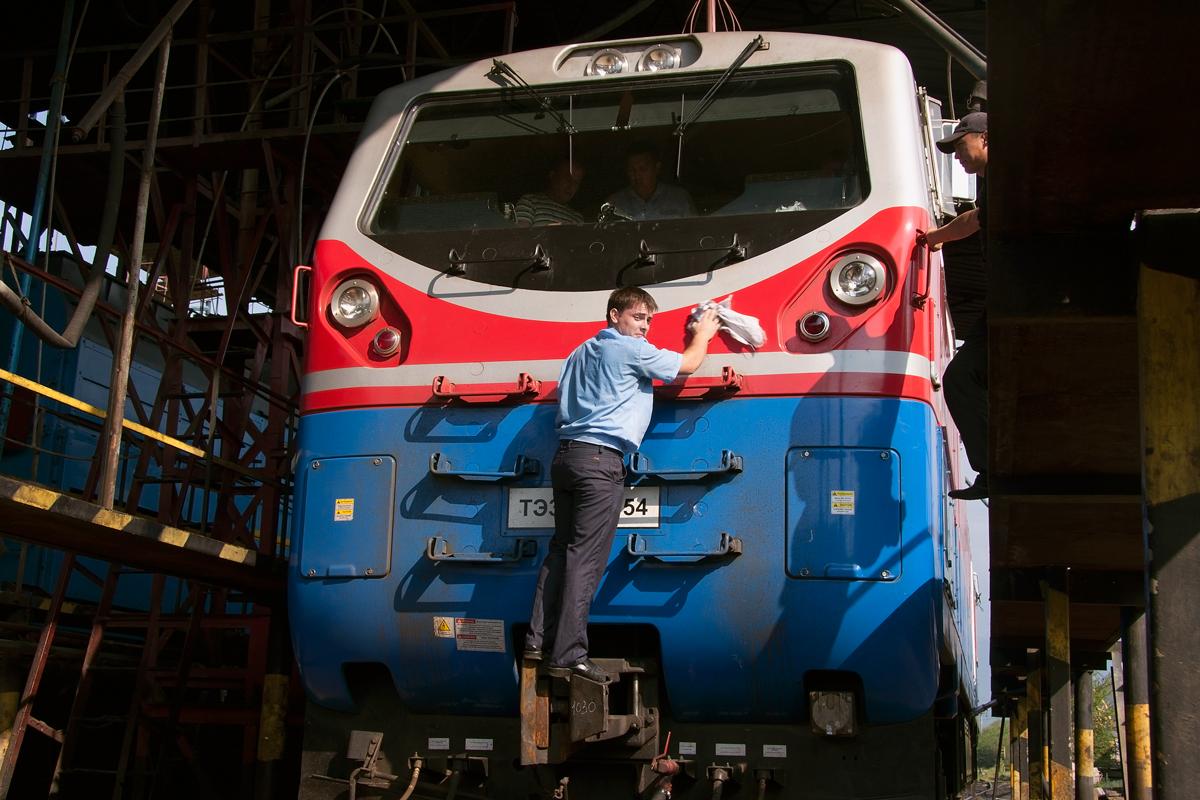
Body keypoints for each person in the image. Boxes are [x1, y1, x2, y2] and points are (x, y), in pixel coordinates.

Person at [524, 288, 721, 683]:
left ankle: (536, 640)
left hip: (566, 458)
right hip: (600, 461)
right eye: (637, 317)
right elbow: (687, 364)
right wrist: (703, 332)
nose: (644, 327)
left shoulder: (580, 352)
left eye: (649, 320)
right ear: (615, 315)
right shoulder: (629, 349)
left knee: (561, 551)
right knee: (587, 559)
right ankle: (568, 655)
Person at [925, 111, 988, 500]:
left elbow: (972, 222)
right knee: (965, 380)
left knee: (961, 379)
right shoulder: (989, 184)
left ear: (986, 139)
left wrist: (934, 237)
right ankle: (991, 467)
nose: (956, 157)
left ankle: (993, 467)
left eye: (959, 146)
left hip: (1019, 300)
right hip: (1005, 301)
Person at [605, 142, 696, 221]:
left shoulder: (680, 199)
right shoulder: (614, 204)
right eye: (632, 170)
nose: (637, 176)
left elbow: (695, 233)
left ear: (657, 168)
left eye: (643, 169)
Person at [515, 157, 586, 226]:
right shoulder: (529, 202)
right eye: (567, 178)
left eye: (576, 182)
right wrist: (548, 233)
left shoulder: (577, 218)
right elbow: (518, 236)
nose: (571, 185)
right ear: (553, 176)